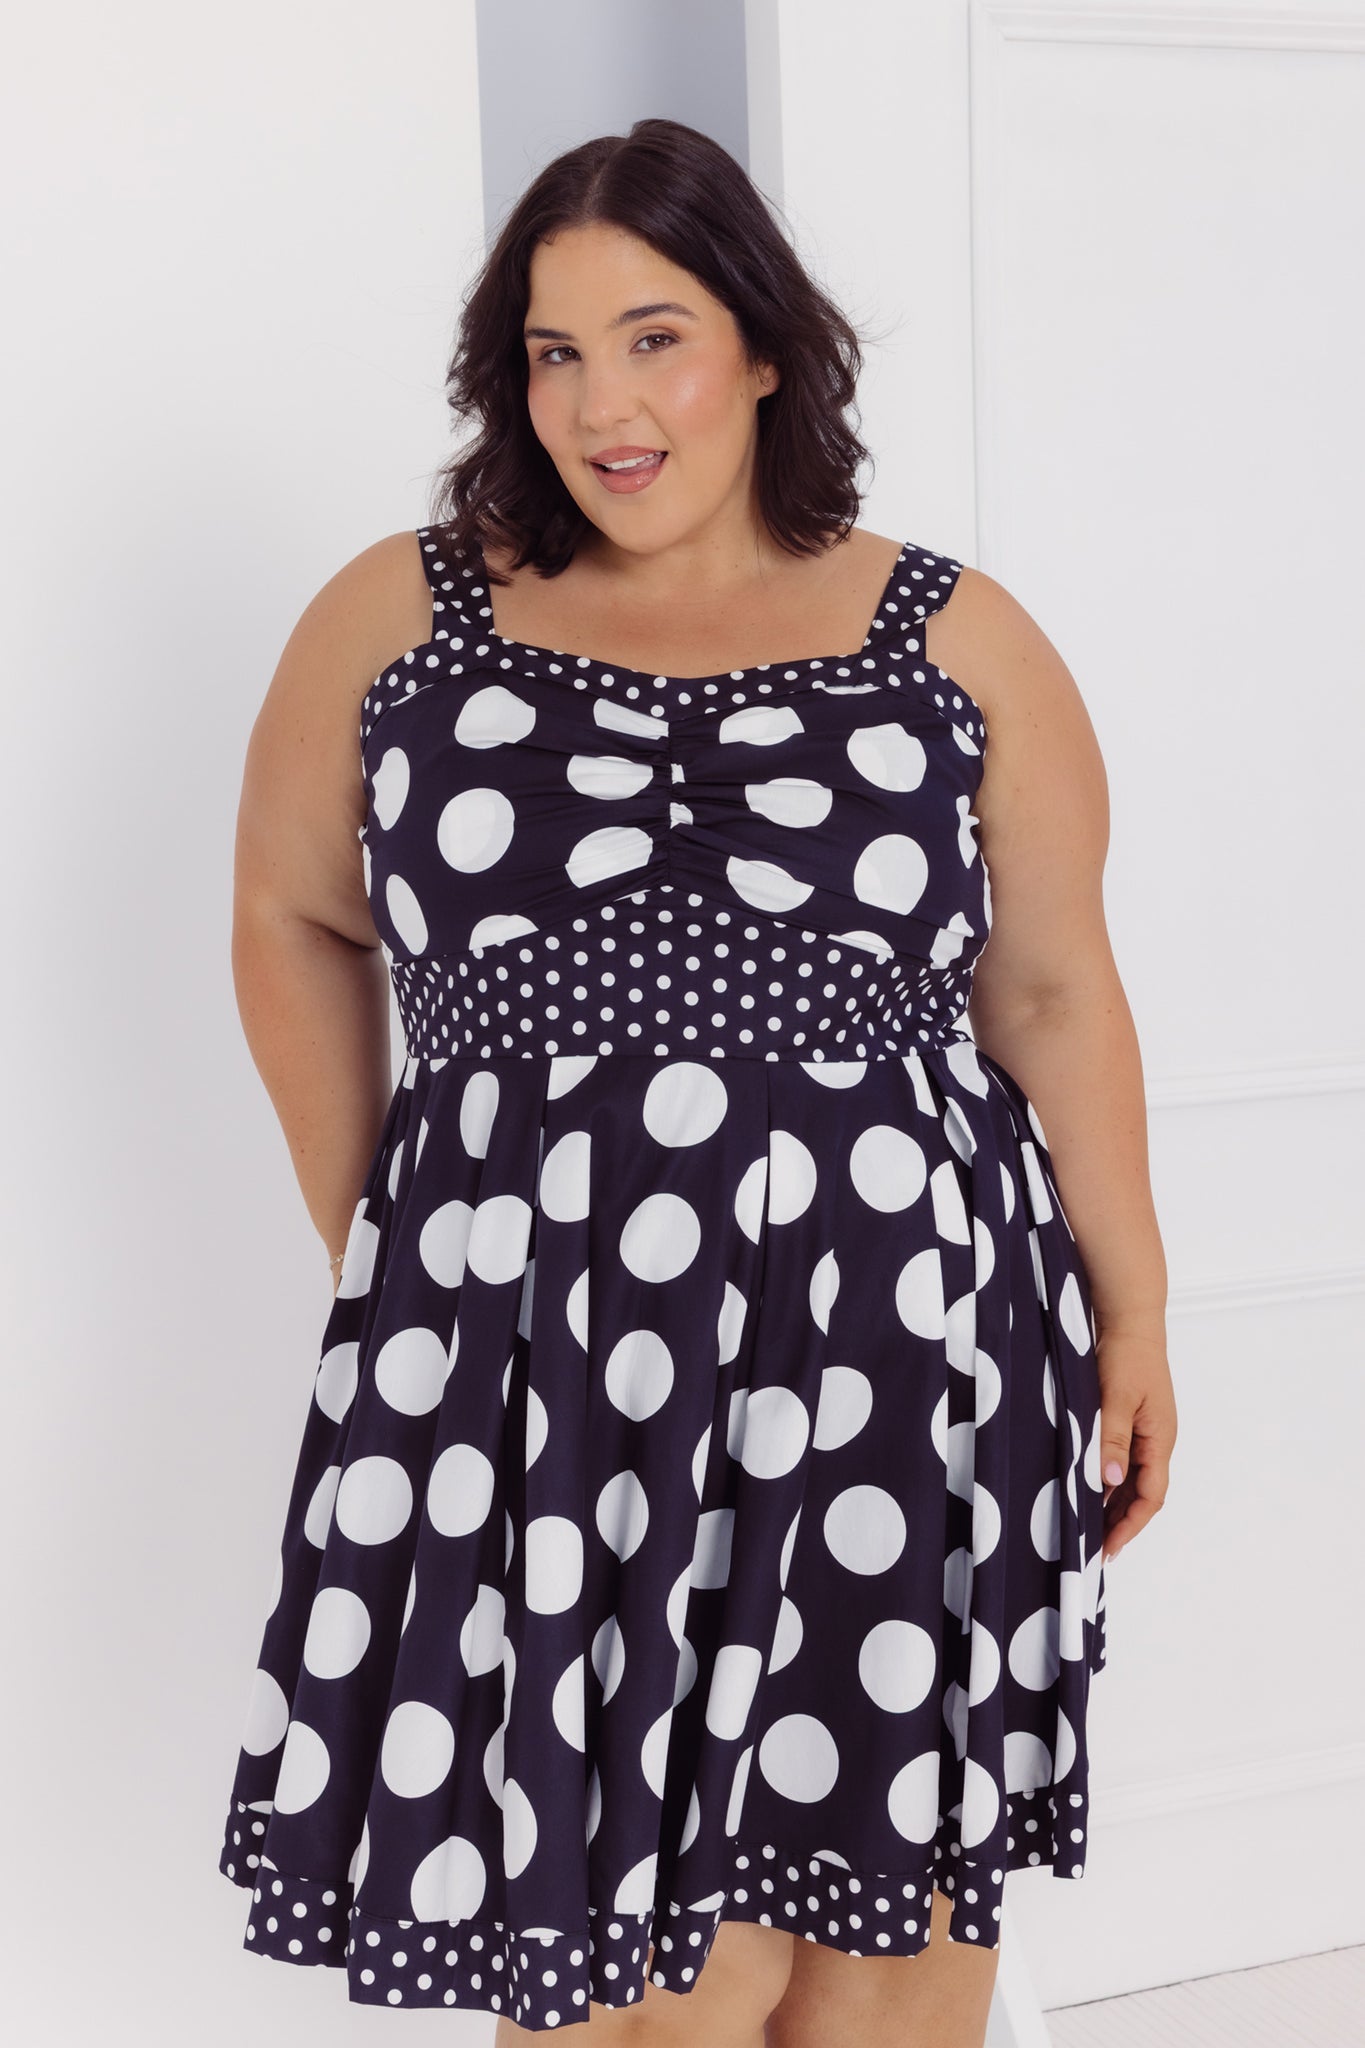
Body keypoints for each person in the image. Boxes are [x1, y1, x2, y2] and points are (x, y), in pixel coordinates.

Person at [218, 117, 1176, 2047]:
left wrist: (1134, 1308)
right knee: (628, 1977)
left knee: (892, 1940)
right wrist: (396, 1244)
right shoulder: (402, 618)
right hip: (548, 1371)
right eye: (552, 354)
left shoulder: (955, 638)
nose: (602, 404)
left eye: (651, 338)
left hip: (900, 1343)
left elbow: (1055, 992)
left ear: (759, 346)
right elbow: (289, 918)